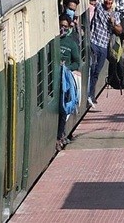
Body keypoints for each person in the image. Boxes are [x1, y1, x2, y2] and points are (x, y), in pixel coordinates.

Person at [87, 0, 122, 108]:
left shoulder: (115, 15)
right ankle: (89, 94)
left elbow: (120, 30)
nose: (108, 1)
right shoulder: (99, 8)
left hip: (104, 46)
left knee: (97, 71)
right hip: (93, 43)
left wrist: (113, 24)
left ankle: (92, 95)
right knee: (91, 69)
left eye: (110, 0)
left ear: (113, 2)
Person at [57, 14, 81, 150]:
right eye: (60, 25)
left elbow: (77, 62)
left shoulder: (71, 43)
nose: (62, 29)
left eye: (65, 26)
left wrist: (66, 68)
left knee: (63, 109)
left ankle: (60, 135)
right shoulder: (54, 41)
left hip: (64, 83)